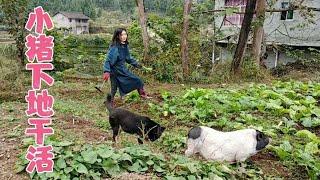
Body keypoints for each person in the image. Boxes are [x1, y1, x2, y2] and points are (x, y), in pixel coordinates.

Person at [103, 28, 151, 105]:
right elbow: (108, 60)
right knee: (114, 88)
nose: (124, 36)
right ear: (118, 36)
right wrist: (106, 71)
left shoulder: (124, 46)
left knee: (138, 80)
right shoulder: (114, 47)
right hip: (115, 71)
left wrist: (139, 65)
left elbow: (129, 59)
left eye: (125, 34)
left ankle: (142, 94)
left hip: (122, 69)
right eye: (122, 35)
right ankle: (109, 102)